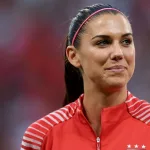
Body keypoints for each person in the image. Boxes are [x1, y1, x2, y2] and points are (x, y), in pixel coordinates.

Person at [20, 3, 150, 150]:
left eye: (126, 41)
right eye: (103, 43)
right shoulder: (41, 135)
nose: (118, 53)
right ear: (74, 56)